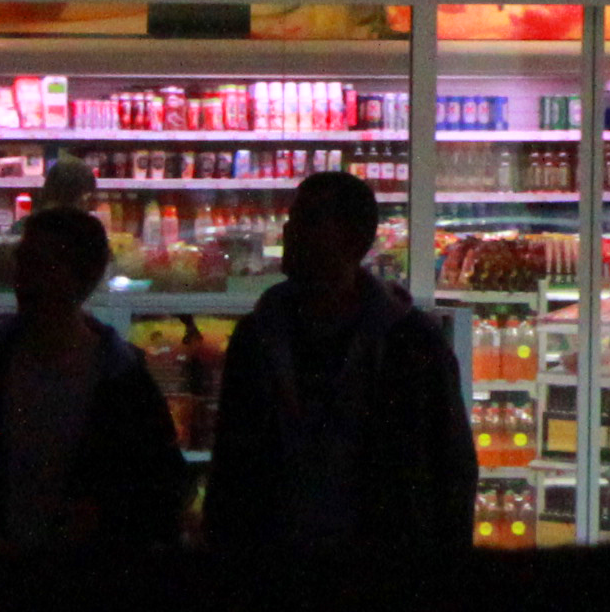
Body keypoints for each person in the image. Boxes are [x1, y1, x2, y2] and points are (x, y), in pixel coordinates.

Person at [201, 169, 473, 553]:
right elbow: (231, 467)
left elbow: (448, 473)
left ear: (353, 239)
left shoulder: (412, 344)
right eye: (292, 220)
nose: (289, 233)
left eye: (309, 221)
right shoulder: (257, 336)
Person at [0, 207, 188, 555]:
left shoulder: (123, 377)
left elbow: (158, 484)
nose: (24, 279)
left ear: (81, 276)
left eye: (42, 265)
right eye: (24, 262)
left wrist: (104, 520)